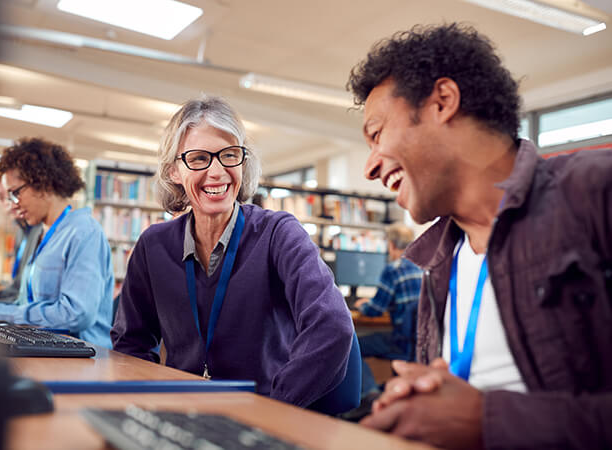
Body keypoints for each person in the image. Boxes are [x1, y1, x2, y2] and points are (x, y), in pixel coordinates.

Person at [346, 23, 612, 449]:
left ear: (442, 102)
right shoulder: (437, 261)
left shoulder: (594, 192)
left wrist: (490, 419)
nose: (370, 167)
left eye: (377, 134)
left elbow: (480, 415)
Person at [111, 96, 358, 412]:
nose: (217, 172)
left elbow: (332, 325)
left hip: (260, 416)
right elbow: (131, 342)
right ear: (174, 171)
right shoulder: (153, 245)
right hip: (183, 415)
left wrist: (275, 410)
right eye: (199, 158)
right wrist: (148, 406)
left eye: (229, 155)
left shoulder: (279, 233)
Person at [0, 138, 115, 349]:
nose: (13, 204)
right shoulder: (43, 235)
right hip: (43, 346)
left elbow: (76, 315)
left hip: (83, 356)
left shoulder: (84, 232)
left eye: (16, 193)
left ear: (43, 183)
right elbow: (29, 306)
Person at [354, 223, 421, 399]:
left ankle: (369, 393)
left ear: (391, 245)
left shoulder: (393, 270)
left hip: (400, 341)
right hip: (421, 343)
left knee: (352, 346)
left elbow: (375, 310)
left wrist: (361, 306)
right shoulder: (423, 267)